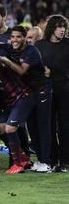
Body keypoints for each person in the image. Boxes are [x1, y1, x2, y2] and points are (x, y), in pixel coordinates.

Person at [0, 43, 35, 173]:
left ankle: (18, 164)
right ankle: (24, 159)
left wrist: (2, 58)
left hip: (23, 97)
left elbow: (18, 69)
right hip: (10, 104)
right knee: (2, 129)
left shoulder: (1, 65)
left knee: (10, 128)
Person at [6, 26, 52, 172]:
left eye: (18, 37)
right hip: (29, 94)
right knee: (32, 127)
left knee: (43, 126)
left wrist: (4, 59)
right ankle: (39, 160)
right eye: (13, 37)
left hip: (42, 91)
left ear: (25, 38)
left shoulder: (31, 50)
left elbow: (21, 70)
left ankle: (47, 162)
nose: (15, 40)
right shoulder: (12, 48)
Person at [35, 14, 69, 172]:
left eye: (64, 27)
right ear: (51, 28)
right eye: (59, 27)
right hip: (46, 90)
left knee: (65, 126)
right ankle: (53, 159)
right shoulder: (40, 45)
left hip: (65, 90)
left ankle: (64, 161)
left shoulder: (68, 44)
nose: (62, 30)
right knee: (48, 126)